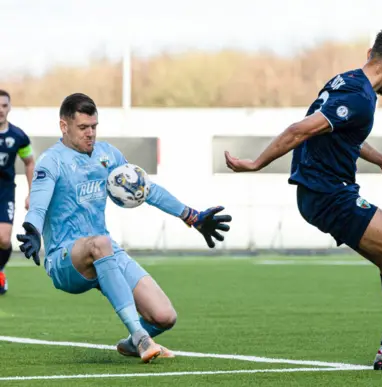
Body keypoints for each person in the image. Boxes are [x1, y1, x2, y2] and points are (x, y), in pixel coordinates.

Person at [224, 29, 382, 370]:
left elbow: (341, 133)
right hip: (329, 195)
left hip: (320, 195)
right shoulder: (360, 98)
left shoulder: (343, 81)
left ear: (370, 52)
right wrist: (255, 163)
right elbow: (300, 129)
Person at [16, 93, 232, 363]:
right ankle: (141, 337)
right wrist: (33, 231)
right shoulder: (52, 161)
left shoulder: (108, 155)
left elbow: (147, 189)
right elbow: (38, 205)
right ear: (64, 126)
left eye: (94, 126)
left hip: (104, 252)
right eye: (83, 127)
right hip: (64, 259)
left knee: (165, 316)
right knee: (101, 243)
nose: (90, 133)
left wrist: (191, 216)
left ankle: (131, 343)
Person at [0, 89, 36, 295]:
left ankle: (0, 270)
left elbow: (29, 162)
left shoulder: (18, 136)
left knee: (4, 239)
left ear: (10, 107)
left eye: (4, 105)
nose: (1, 110)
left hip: (4, 192)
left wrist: (31, 193)